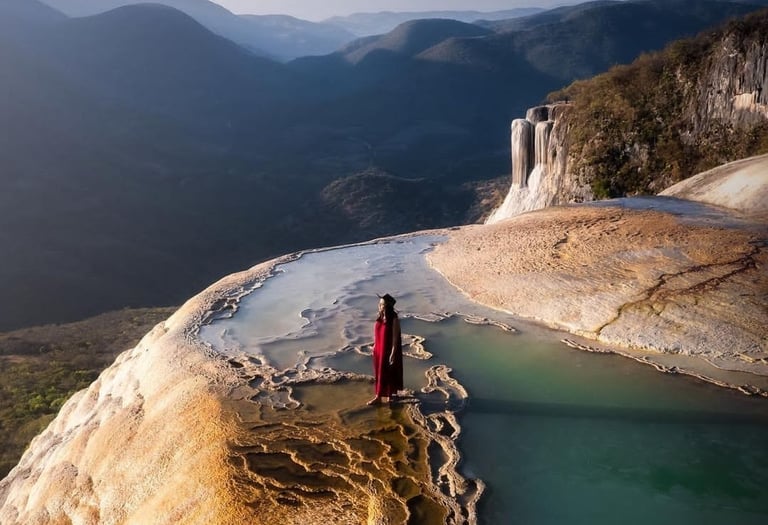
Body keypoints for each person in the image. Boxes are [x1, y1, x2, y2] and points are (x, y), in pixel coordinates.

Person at [367, 293, 403, 405]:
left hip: (388, 350)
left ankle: (390, 396)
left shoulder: (394, 319)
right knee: (379, 373)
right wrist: (374, 346)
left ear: (387, 306)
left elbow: (395, 337)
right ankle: (378, 396)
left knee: (388, 372)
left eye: (381, 304)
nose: (379, 306)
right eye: (379, 304)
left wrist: (393, 353)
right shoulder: (380, 317)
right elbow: (377, 334)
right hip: (378, 349)